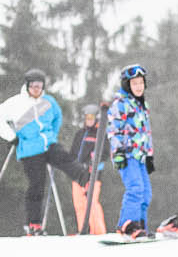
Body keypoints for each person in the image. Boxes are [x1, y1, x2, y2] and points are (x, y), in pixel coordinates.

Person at [0, 70, 64, 236]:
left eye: (39, 86)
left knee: (41, 184)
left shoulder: (46, 102)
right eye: (33, 86)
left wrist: (51, 136)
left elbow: (57, 118)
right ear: (27, 86)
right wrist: (10, 136)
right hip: (27, 149)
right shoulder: (17, 102)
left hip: (44, 146)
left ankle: (36, 224)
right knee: (36, 184)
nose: (36, 89)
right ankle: (32, 223)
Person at [107, 64, 155, 239]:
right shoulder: (120, 104)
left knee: (146, 193)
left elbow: (146, 131)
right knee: (135, 188)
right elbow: (113, 130)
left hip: (141, 156)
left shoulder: (141, 104)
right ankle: (127, 225)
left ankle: (140, 225)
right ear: (128, 85)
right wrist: (118, 152)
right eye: (135, 84)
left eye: (141, 83)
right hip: (127, 155)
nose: (139, 87)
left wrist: (149, 155)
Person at [60, 104, 108, 236]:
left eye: (92, 117)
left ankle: (98, 231)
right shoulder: (80, 134)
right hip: (78, 174)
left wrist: (95, 163)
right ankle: (84, 230)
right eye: (87, 117)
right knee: (79, 204)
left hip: (92, 174)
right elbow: (73, 153)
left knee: (91, 202)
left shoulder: (100, 134)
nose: (89, 120)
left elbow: (105, 153)